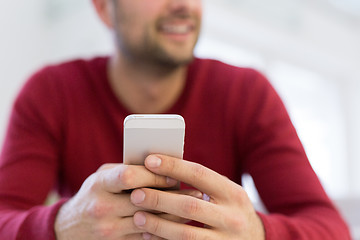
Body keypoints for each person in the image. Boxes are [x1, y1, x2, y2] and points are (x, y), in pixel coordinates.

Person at [0, 0, 351, 239]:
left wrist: (257, 232)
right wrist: (61, 225)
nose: (184, 4)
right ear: (105, 8)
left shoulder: (247, 93)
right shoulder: (50, 93)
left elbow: (331, 228)